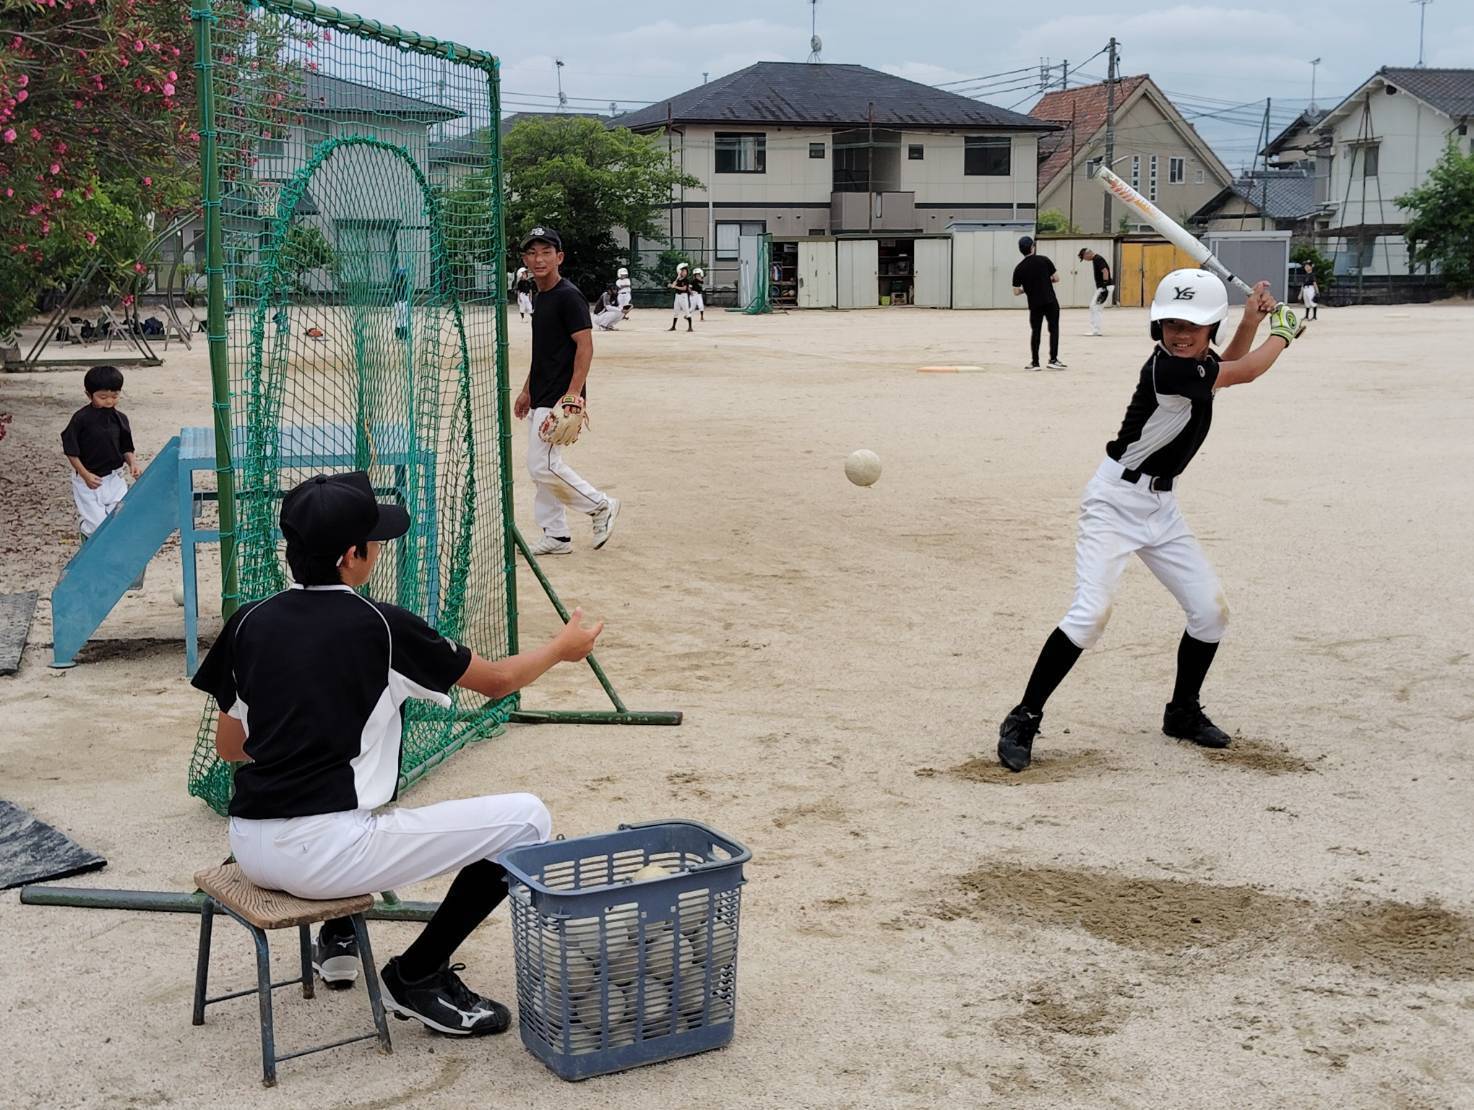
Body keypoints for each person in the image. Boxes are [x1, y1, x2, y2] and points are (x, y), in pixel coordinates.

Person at [191, 471, 603, 1035]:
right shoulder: (383, 626)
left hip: (248, 843)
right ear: (351, 556)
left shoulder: (248, 621)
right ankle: (418, 974)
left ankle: (338, 937)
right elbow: (499, 682)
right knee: (528, 820)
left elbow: (230, 747)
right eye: (374, 541)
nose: (379, 548)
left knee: (362, 785)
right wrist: (562, 647)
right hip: (323, 855)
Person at [995, 270, 1299, 772]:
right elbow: (1244, 371)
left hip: (1161, 507)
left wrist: (1249, 319)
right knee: (1090, 615)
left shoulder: (1198, 365)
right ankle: (1023, 717)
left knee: (1210, 612)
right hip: (1115, 503)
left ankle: (1182, 712)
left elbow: (1228, 363)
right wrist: (1283, 334)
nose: (1181, 334)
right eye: (1172, 324)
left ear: (1211, 328)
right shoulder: (1168, 369)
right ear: (1158, 326)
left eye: (1194, 326)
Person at [512, 226, 621, 556]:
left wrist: (574, 394)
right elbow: (543, 352)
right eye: (532, 253)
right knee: (544, 466)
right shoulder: (541, 296)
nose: (539, 259)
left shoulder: (568, 296)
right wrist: (527, 390)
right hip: (542, 393)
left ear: (559, 257)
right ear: (524, 259)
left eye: (546, 252)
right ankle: (556, 535)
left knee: (541, 465)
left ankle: (600, 505)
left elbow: (585, 346)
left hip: (560, 396)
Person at [61, 364, 142, 545]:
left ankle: (114, 552)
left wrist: (133, 464)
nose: (109, 401)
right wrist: (85, 474)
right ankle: (85, 530)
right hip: (88, 479)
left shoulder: (120, 419)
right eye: (103, 397)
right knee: (97, 526)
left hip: (114, 477)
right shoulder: (80, 419)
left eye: (115, 396)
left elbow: (126, 447)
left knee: (120, 517)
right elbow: (71, 450)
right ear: (89, 395)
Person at [1011, 236, 1065, 370]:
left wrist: (1027, 288)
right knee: (1054, 329)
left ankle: (1035, 362)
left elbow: (1016, 292)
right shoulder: (1044, 260)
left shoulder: (1019, 268)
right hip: (1050, 301)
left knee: (1036, 331)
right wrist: (1045, 281)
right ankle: (1053, 360)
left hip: (1035, 304)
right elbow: (1056, 278)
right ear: (1032, 247)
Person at [1079, 247, 1113, 336]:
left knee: (1095, 307)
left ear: (1087, 254)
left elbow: (1105, 271)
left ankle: (1096, 330)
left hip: (1104, 287)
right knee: (1094, 307)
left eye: (1084, 257)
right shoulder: (1096, 259)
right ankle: (1095, 330)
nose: (1085, 260)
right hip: (1103, 287)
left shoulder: (1098, 259)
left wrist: (1105, 285)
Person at [668, 262, 693, 332]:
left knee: (686, 311)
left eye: (685, 271)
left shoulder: (686, 280)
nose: (685, 273)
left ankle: (690, 327)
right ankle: (673, 326)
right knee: (676, 311)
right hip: (677, 296)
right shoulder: (678, 279)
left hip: (683, 296)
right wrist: (677, 277)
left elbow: (684, 288)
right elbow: (673, 284)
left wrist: (675, 287)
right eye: (683, 271)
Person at [390, 265, 410, 341]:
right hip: (404, 303)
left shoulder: (395, 283)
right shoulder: (404, 283)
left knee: (398, 320)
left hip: (396, 304)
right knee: (404, 320)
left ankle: (398, 336)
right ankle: (404, 336)